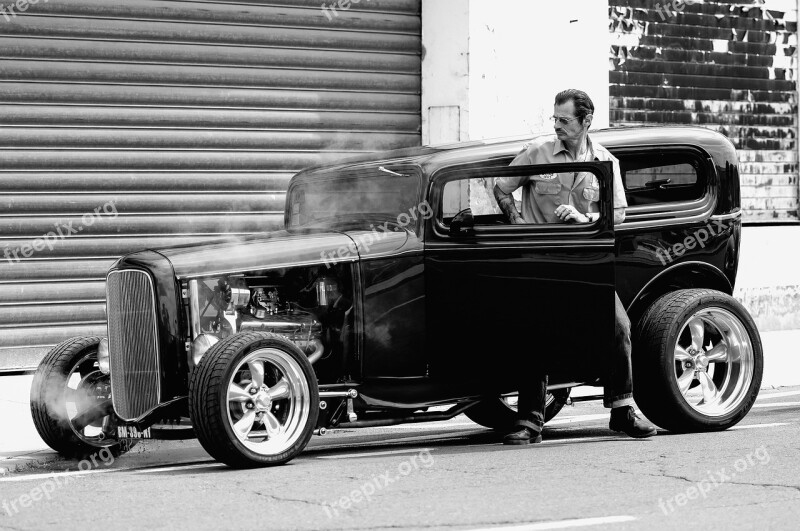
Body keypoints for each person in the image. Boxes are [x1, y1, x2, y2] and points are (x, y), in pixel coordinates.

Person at [494, 89, 657, 444]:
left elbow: (619, 214)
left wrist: (587, 217)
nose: (556, 126)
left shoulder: (604, 161)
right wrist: (519, 225)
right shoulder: (537, 152)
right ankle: (530, 421)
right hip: (541, 263)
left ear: (586, 122)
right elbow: (501, 188)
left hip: (587, 265)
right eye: (554, 118)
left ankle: (623, 411)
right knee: (534, 329)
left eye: (564, 120)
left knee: (619, 327)